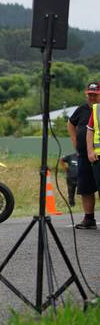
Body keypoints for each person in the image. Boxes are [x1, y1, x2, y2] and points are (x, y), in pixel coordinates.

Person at [68, 81, 100, 230]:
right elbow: (71, 123)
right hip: (83, 155)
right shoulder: (82, 109)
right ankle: (89, 218)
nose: (91, 97)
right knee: (85, 187)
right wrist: (75, 142)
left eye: (95, 95)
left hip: (98, 155)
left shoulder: (98, 110)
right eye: (89, 94)